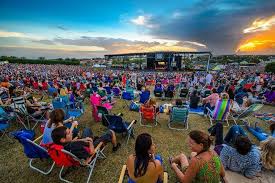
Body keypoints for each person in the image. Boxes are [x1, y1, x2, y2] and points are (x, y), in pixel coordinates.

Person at [51, 126, 121, 165]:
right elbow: (91, 153)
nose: (71, 133)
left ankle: (94, 139)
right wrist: (90, 142)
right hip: (91, 150)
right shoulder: (74, 147)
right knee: (111, 132)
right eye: (69, 133)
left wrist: (82, 139)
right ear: (63, 139)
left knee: (87, 129)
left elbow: (72, 142)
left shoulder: (64, 146)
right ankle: (115, 147)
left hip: (83, 146)